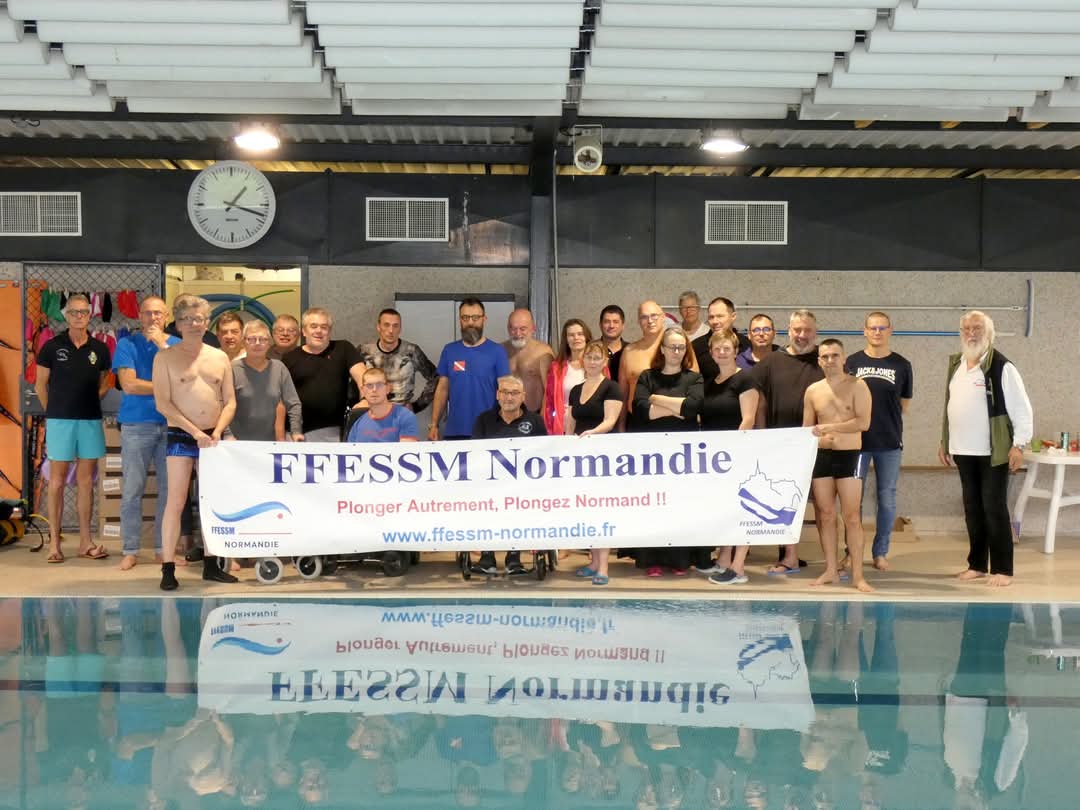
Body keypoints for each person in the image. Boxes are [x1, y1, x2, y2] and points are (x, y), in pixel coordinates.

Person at [939, 310, 1032, 588]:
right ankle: (977, 565)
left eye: (977, 328)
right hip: (963, 450)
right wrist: (945, 441)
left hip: (993, 452)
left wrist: (1018, 445)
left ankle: (1003, 569)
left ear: (989, 334)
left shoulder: (1002, 366)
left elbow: (1022, 410)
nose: (971, 333)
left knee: (994, 509)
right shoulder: (957, 365)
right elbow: (950, 407)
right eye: (966, 328)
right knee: (973, 510)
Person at [152, 294, 237, 590]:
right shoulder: (165, 358)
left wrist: (217, 431)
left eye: (198, 319)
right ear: (177, 324)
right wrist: (194, 432)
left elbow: (230, 401)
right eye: (186, 319)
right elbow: (163, 403)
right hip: (181, 435)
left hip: (212, 436)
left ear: (206, 322)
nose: (193, 324)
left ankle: (212, 565)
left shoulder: (220, 357)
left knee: (211, 502)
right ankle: (167, 568)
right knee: (175, 501)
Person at [34, 293, 111, 564]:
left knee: (86, 482)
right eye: (74, 312)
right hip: (60, 422)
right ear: (66, 316)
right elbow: (40, 385)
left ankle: (85, 543)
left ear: (90, 315)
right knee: (56, 482)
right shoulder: (51, 347)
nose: (79, 316)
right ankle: (54, 544)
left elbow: (106, 381)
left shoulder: (100, 349)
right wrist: (54, 411)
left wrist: (91, 399)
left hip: (89, 420)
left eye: (83, 312)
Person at [751, 308, 824, 575]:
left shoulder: (825, 359)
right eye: (797, 330)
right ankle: (789, 557)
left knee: (825, 506)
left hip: (820, 444)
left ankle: (834, 560)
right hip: (781, 444)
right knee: (786, 502)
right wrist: (760, 434)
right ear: (788, 331)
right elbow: (757, 398)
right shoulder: (772, 361)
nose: (802, 335)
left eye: (807, 330)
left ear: (815, 332)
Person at [630, 326, 704, 576]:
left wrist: (656, 399)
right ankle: (652, 559)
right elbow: (641, 410)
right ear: (662, 349)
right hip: (653, 456)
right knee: (653, 506)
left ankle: (679, 560)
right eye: (672, 346)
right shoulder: (647, 377)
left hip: (683, 456)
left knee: (681, 507)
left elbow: (693, 408)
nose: (676, 351)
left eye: (681, 347)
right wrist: (678, 407)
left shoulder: (693, 378)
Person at [113, 295, 179, 571]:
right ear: (139, 316)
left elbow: (185, 380)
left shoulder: (176, 345)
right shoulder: (126, 344)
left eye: (158, 313)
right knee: (132, 489)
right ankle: (130, 549)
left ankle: (163, 549)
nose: (153, 318)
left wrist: (162, 346)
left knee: (169, 491)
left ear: (166, 317)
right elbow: (129, 385)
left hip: (172, 425)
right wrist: (167, 386)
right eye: (148, 313)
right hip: (136, 425)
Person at [803, 338, 874, 593]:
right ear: (819, 361)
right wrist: (819, 437)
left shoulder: (858, 385)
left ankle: (858, 575)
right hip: (822, 456)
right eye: (825, 356)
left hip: (849, 455)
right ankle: (831, 569)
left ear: (844, 358)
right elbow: (807, 429)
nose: (830, 360)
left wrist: (830, 427)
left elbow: (863, 423)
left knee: (852, 517)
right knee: (825, 514)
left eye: (835, 355)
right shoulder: (813, 391)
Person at [845, 311, 913, 571]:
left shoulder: (902, 365)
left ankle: (880, 552)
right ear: (864, 331)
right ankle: (852, 552)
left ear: (890, 331)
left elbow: (904, 405)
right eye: (872, 328)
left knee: (887, 499)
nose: (877, 332)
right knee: (853, 501)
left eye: (882, 328)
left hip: (889, 442)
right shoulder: (852, 362)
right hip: (856, 443)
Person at [700, 329, 760, 586]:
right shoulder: (710, 383)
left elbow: (748, 419)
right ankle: (724, 559)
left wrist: (733, 452)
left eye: (727, 348)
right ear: (711, 353)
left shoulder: (745, 379)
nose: (722, 352)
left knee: (742, 510)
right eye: (717, 349)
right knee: (726, 510)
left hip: (737, 456)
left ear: (736, 351)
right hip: (715, 460)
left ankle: (738, 567)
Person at [471, 375, 546, 574]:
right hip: (490, 484)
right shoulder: (484, 420)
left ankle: (514, 558)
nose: (509, 397)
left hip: (523, 485)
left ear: (523, 396)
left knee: (521, 505)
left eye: (514, 393)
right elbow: (474, 453)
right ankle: (487, 558)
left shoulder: (535, 421)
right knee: (483, 503)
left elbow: (544, 454)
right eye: (505, 392)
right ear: (497, 395)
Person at [565, 340, 623, 586]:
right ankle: (593, 562)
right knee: (587, 510)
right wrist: (567, 442)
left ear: (605, 361)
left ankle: (604, 567)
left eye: (597, 357)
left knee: (602, 511)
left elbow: (610, 421)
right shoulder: (576, 389)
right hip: (581, 457)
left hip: (602, 457)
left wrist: (592, 433)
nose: (592, 361)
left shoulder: (612, 388)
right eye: (588, 357)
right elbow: (570, 421)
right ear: (583, 360)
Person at [428, 298, 511, 440]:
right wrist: (434, 424)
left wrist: (507, 426)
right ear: (460, 320)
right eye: (465, 318)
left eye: (475, 317)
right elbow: (442, 389)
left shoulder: (497, 351)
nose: (470, 322)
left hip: (489, 432)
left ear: (484, 319)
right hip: (455, 431)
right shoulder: (449, 351)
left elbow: (505, 390)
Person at [283, 307, 365, 443]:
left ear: (330, 331)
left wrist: (365, 400)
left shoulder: (344, 349)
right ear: (304, 331)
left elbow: (363, 377)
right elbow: (281, 399)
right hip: (294, 432)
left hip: (331, 431)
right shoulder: (289, 358)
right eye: (313, 326)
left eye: (324, 327)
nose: (319, 331)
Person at [230, 320, 303, 441]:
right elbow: (222, 405)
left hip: (271, 443)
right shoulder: (232, 368)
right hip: (237, 443)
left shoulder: (279, 368)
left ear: (269, 343)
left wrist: (296, 431)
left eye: (263, 339)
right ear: (243, 342)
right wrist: (227, 434)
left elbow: (293, 403)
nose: (257, 343)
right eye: (252, 339)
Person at [357, 308, 438, 413]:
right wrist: (358, 403)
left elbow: (436, 377)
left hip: (400, 413)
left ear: (400, 328)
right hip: (371, 412)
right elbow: (350, 380)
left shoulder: (411, 351)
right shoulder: (364, 351)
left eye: (395, 326)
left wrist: (417, 405)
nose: (391, 330)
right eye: (386, 325)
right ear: (378, 327)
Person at [617, 300, 667, 430]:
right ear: (639, 321)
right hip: (637, 423)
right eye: (644, 317)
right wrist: (621, 427)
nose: (650, 321)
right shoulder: (629, 351)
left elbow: (693, 388)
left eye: (654, 315)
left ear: (663, 317)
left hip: (673, 423)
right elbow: (622, 395)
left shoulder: (679, 347)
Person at [543, 318, 592, 436]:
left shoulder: (599, 366)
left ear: (586, 337)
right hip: (564, 429)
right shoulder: (556, 368)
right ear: (566, 340)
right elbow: (549, 402)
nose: (576, 338)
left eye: (580, 334)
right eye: (571, 335)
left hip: (591, 428)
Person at [501, 308, 554, 414]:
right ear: (508, 328)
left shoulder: (543, 352)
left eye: (523, 329)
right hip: (505, 416)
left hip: (534, 415)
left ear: (533, 328)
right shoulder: (500, 351)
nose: (518, 333)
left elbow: (550, 391)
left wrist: (542, 419)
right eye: (513, 328)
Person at [346, 367, 419, 443]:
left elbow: (406, 450)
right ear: (363, 390)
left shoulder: (405, 416)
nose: (374, 389)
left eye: (379, 385)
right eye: (369, 385)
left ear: (388, 388)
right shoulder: (357, 424)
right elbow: (351, 450)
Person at [692, 297, 751, 380]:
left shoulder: (747, 344)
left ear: (733, 316)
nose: (715, 321)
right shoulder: (696, 346)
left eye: (720, 316)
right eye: (711, 317)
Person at [598, 304, 626, 381]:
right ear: (600, 325)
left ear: (623, 325)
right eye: (607, 322)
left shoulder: (631, 351)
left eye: (616, 322)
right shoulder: (590, 350)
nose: (611, 326)